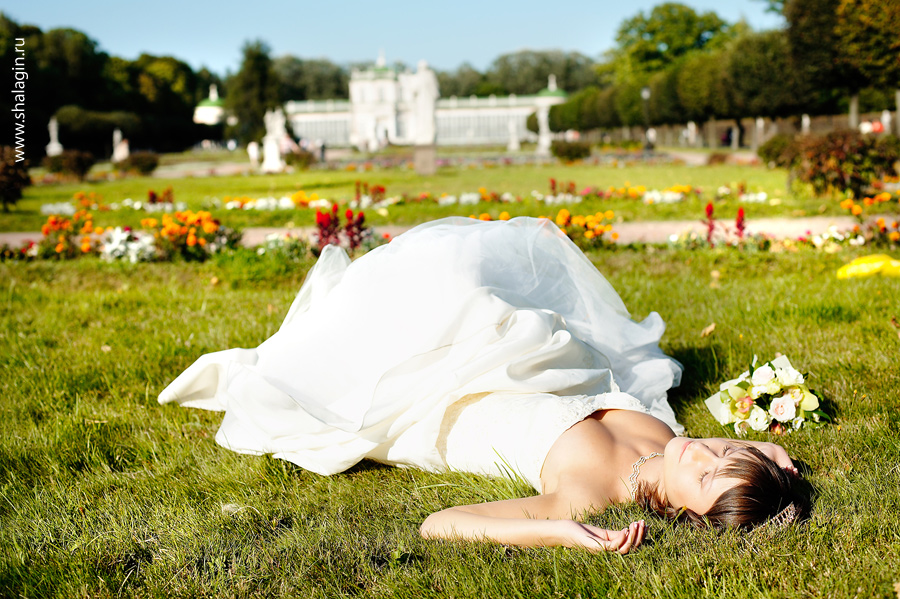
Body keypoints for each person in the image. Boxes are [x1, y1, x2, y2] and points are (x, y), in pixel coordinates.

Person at [159, 217, 809, 553]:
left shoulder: (588, 496)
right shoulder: (675, 442)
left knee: (306, 377)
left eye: (706, 474)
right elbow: (734, 464)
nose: (703, 453)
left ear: (684, 515)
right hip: (509, 363)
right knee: (449, 267)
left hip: (441, 403)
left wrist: (556, 531)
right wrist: (769, 459)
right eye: (725, 451)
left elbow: (439, 524)